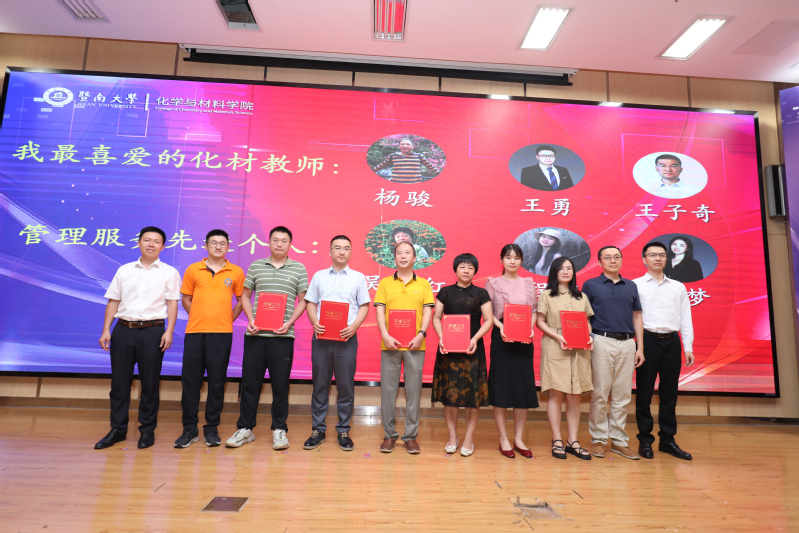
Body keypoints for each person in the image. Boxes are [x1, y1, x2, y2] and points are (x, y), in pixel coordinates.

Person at [95, 226, 180, 450]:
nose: (151, 244)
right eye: (147, 240)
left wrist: (169, 331)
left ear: (163, 246)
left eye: (156, 241)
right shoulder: (124, 270)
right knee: (119, 383)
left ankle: (147, 430)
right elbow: (113, 301)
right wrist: (106, 329)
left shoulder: (170, 272)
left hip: (153, 331)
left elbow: (172, 304)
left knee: (150, 383)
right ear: (139, 242)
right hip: (123, 330)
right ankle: (118, 429)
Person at [226, 226, 308, 450]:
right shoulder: (256, 266)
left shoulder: (299, 268)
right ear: (269, 242)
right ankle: (245, 428)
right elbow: (245, 296)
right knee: (250, 383)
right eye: (275, 240)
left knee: (280, 385)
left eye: (284, 240)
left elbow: (303, 300)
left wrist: (289, 323)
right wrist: (251, 319)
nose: (279, 244)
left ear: (290, 244)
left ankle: (279, 428)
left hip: (283, 336)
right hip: (255, 334)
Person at [175, 230, 245, 449]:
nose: (218, 246)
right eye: (213, 242)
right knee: (191, 382)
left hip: (222, 334)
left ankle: (211, 428)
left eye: (222, 243)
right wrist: (196, 315)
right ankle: (189, 429)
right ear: (206, 245)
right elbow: (186, 298)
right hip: (195, 332)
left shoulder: (236, 272)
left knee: (216, 382)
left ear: (228, 247)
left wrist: (228, 319)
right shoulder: (192, 269)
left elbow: (242, 300)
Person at [302, 235, 371, 452]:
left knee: (345, 386)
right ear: (330, 251)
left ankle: (343, 430)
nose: (342, 252)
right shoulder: (319, 276)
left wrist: (355, 326)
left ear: (351, 252)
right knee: (320, 385)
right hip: (322, 338)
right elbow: (311, 302)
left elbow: (364, 305)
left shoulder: (358, 278)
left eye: (346, 248)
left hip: (347, 339)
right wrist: (314, 322)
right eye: (337, 248)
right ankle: (318, 430)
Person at [633, 242, 695, 461]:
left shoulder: (678, 287)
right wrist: (638, 346)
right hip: (647, 341)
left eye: (661, 255)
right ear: (644, 259)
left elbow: (685, 317)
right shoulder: (635, 285)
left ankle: (668, 440)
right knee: (644, 393)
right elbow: (633, 317)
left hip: (672, 342)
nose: (657, 258)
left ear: (666, 259)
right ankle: (645, 440)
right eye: (652, 255)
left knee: (669, 393)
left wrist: (688, 346)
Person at [583, 246, 644, 460]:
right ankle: (598, 439)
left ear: (621, 260)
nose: (613, 260)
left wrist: (640, 347)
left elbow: (637, 316)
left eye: (616, 257)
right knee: (600, 393)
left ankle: (619, 441)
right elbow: (584, 316)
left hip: (628, 343)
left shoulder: (631, 286)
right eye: (607, 257)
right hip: (601, 341)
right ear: (600, 262)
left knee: (622, 394)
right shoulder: (591, 285)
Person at [374, 240, 435, 454]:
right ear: (394, 257)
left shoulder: (424, 284)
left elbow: (428, 312)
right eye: (399, 252)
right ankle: (389, 435)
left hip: (415, 346)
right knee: (388, 393)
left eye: (407, 252)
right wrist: (385, 335)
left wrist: (421, 335)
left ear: (414, 258)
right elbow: (379, 311)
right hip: (389, 345)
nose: (403, 256)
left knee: (414, 393)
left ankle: (410, 437)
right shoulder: (384, 283)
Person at [430, 253, 493, 457]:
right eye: (462, 267)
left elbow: (489, 320)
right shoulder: (445, 292)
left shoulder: (481, 293)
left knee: (472, 397)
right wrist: (442, 337)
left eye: (470, 268)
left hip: (472, 349)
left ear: (475, 271)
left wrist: (475, 339)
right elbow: (436, 317)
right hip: (449, 350)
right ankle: (452, 437)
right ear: (455, 269)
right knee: (450, 396)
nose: (466, 271)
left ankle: (468, 439)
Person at [536, 257, 594, 460]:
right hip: (555, 346)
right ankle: (557, 439)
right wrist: (557, 336)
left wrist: (589, 337)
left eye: (569, 268)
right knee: (556, 394)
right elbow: (540, 321)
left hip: (580, 348)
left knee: (575, 395)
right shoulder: (546, 295)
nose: (566, 271)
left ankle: (573, 441)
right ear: (554, 272)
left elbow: (587, 322)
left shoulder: (581, 296)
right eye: (561, 268)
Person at [485, 244, 539, 459]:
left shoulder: (528, 283)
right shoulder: (492, 283)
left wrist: (529, 328)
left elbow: (533, 311)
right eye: (508, 257)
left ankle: (518, 439)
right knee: (501, 387)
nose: (512, 261)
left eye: (516, 258)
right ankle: (504, 439)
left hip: (524, 340)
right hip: (501, 337)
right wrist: (502, 328)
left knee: (522, 387)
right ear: (501, 260)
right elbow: (488, 313)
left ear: (521, 261)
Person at [371, 138, 440, 183]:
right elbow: (382, 165)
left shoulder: (419, 156)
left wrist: (440, 175)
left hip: (414, 183)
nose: (405, 146)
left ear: (412, 147)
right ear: (399, 146)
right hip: (396, 183)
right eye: (402, 144)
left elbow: (430, 166)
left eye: (408, 144)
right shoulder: (392, 156)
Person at [637, 154, 704, 199]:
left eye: (673, 166)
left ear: (680, 169)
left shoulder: (694, 190)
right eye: (663, 166)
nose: (668, 169)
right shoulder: (647, 189)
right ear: (656, 169)